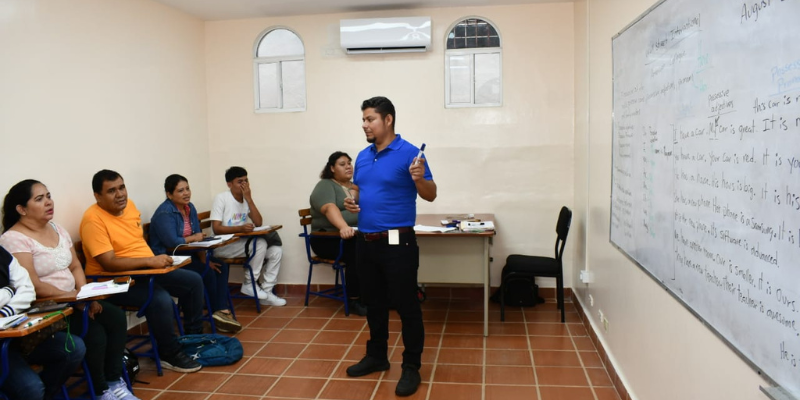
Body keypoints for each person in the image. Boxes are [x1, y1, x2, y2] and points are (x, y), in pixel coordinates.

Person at [0, 180, 137, 400]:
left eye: (48, 195)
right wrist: (74, 298)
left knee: (116, 318)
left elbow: (74, 266)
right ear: (21, 209)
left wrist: (85, 295)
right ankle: (102, 391)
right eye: (39, 199)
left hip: (75, 300)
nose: (48, 202)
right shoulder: (13, 239)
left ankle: (113, 381)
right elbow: (33, 284)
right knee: (95, 334)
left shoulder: (57, 228)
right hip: (48, 308)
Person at [344, 96, 437, 397]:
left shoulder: (410, 154)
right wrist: (352, 201)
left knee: (407, 305)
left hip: (399, 242)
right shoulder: (362, 155)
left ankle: (411, 367)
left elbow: (431, 195)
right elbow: (359, 190)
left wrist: (420, 179)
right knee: (374, 303)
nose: (365, 124)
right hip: (366, 242)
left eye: (370, 119)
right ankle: (377, 356)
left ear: (388, 120)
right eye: (363, 119)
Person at [79, 169, 204, 373]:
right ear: (97, 196)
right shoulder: (93, 220)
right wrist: (149, 261)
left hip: (146, 271)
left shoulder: (129, 205)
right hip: (113, 282)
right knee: (160, 299)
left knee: (193, 281)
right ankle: (169, 353)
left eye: (122, 187)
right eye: (111, 191)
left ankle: (193, 339)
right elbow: (109, 263)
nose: (120, 194)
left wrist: (150, 263)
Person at [149, 174, 241, 333]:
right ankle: (217, 313)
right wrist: (193, 238)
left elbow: (198, 235)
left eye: (187, 189)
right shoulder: (164, 213)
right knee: (207, 274)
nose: (186, 193)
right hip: (171, 260)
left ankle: (219, 312)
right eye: (180, 191)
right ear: (169, 194)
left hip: (189, 255)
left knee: (219, 267)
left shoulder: (189, 207)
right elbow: (172, 242)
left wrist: (205, 260)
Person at [0, 246, 86, 400]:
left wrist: (4, 311)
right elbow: (17, 289)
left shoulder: (2, 254)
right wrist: (8, 291)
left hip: (17, 337)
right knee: (31, 389)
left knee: (73, 347)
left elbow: (27, 289)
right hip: (3, 346)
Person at [210, 166, 285, 307]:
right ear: (229, 184)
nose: (244, 185)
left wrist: (249, 199)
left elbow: (258, 222)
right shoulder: (222, 198)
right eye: (240, 182)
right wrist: (240, 228)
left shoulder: (245, 199)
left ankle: (267, 293)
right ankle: (249, 283)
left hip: (242, 244)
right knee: (260, 243)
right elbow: (217, 228)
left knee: (276, 252)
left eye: (246, 181)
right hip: (223, 246)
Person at [309, 151, 366, 316]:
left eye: (349, 163)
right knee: (357, 250)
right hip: (326, 239)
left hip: (351, 236)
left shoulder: (354, 187)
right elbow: (329, 208)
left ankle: (374, 296)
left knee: (376, 246)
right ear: (332, 168)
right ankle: (354, 299)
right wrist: (343, 227)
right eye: (342, 164)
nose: (348, 166)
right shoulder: (326, 185)